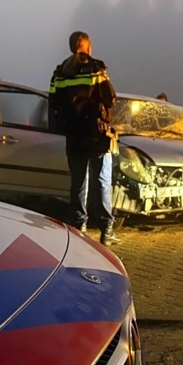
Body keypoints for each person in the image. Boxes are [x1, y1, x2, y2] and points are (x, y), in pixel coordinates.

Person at [49, 31, 121, 246]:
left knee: (78, 183)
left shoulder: (60, 72)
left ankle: (79, 227)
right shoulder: (96, 68)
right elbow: (110, 99)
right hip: (96, 135)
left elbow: (53, 102)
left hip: (74, 136)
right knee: (102, 183)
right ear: (87, 47)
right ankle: (106, 230)